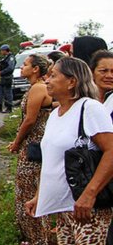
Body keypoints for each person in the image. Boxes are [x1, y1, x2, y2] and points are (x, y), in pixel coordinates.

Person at [25, 57, 113, 244]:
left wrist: (89, 195)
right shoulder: (55, 115)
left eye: (53, 76)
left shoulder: (89, 108)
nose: (47, 80)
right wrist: (38, 196)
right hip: (64, 209)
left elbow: (111, 151)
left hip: (87, 210)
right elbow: (52, 162)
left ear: (72, 81)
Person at [8, 54, 53, 244]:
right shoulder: (39, 87)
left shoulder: (38, 88)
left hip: (33, 145)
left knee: (27, 191)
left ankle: (35, 237)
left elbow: (30, 120)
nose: (22, 68)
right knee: (31, 189)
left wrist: (17, 142)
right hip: (36, 144)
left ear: (35, 69)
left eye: (25, 65)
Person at [89, 50, 113, 245]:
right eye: (103, 70)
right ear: (92, 72)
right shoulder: (84, 103)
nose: (109, 75)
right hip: (89, 176)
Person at [0, 44, 15, 113]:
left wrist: (1, 72)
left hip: (7, 77)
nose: (1, 52)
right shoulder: (5, 58)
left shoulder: (11, 58)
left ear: (5, 50)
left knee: (8, 93)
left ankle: (9, 107)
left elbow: (10, 68)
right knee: (0, 92)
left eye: (2, 50)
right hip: (2, 78)